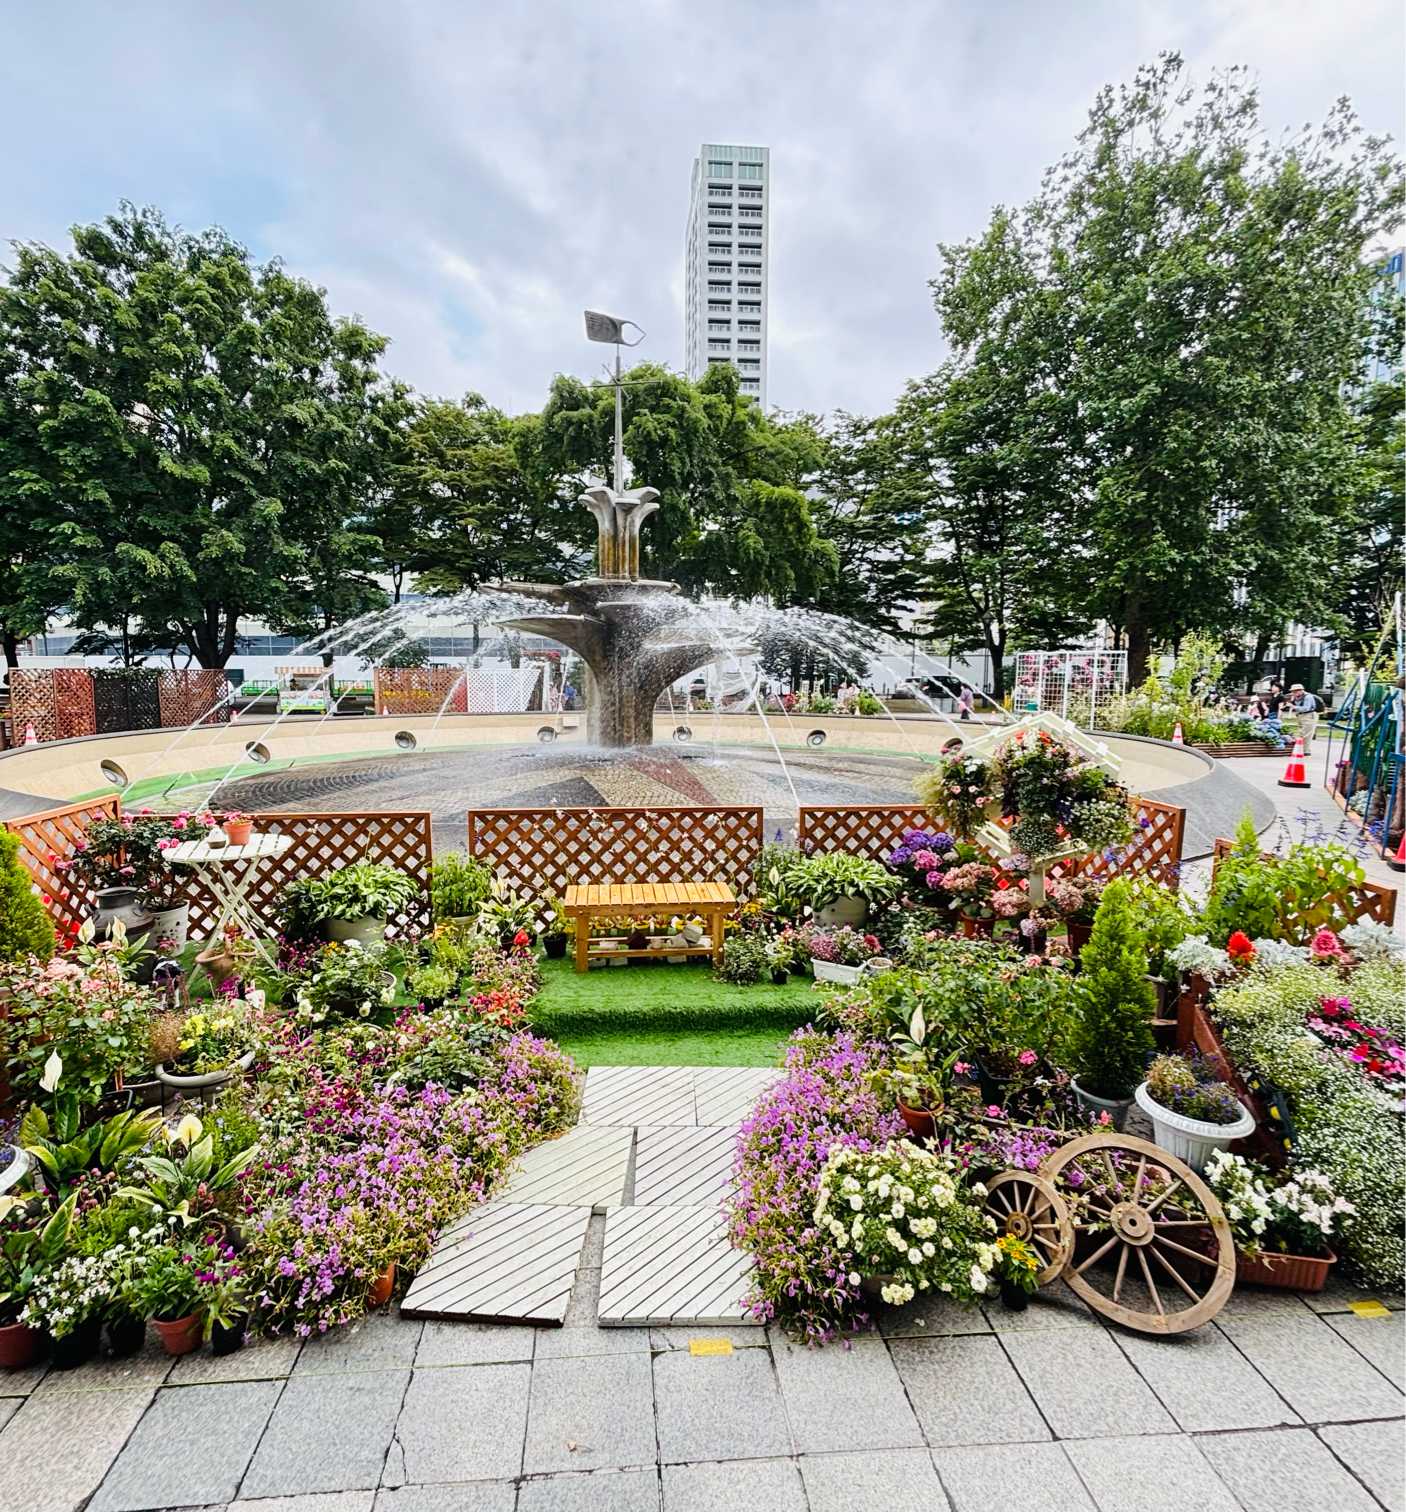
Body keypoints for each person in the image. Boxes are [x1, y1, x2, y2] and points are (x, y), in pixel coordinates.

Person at [1289, 683, 1321, 754]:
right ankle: (1301, 750)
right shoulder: (1297, 697)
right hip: (1301, 716)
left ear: (1300, 690)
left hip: (1309, 715)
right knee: (1301, 733)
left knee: (1306, 734)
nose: (1293, 693)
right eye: (1293, 691)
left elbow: (1306, 708)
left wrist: (1294, 707)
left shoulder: (1308, 697)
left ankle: (1305, 751)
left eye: (1295, 691)